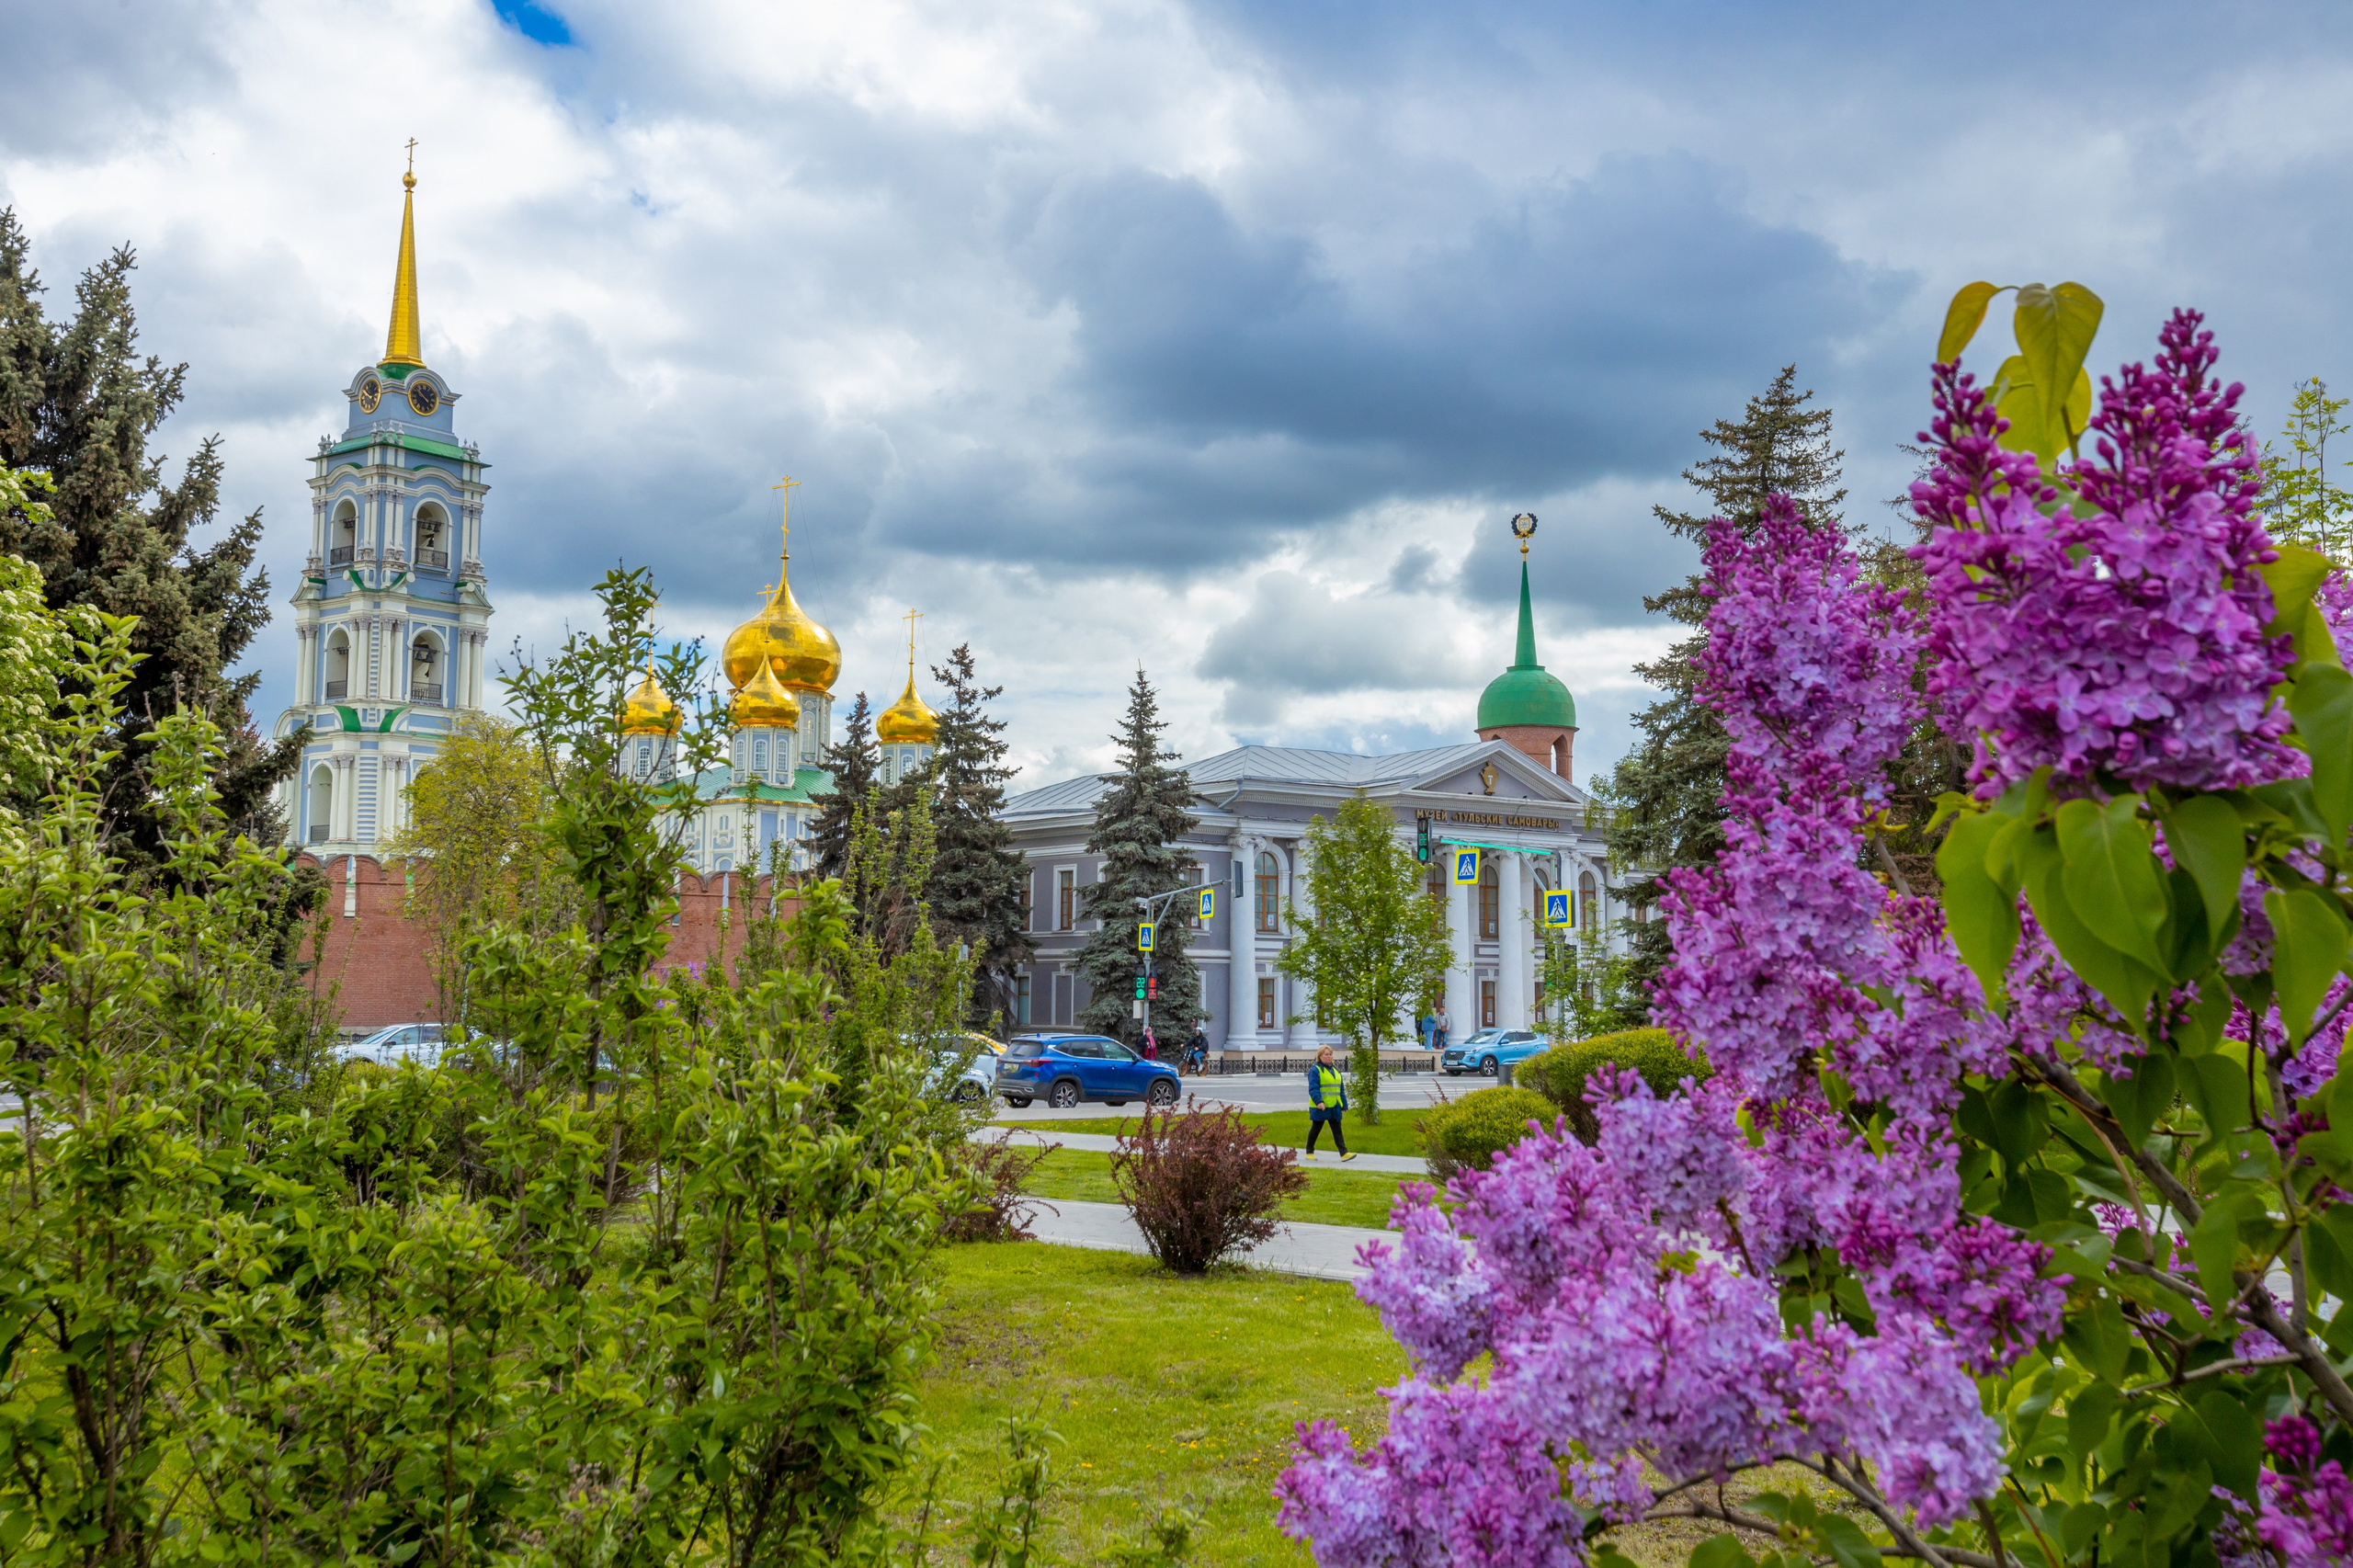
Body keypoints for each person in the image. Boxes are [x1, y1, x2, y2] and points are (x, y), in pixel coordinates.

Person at [1304, 1043, 1355, 1161]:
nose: (1329, 1056)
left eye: (1331, 1054)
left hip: (1334, 1106)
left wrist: (1344, 1104)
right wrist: (1319, 1102)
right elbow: (1313, 1088)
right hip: (1321, 1106)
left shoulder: (1335, 1070)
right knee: (1316, 1129)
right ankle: (1309, 1152)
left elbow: (1340, 1089)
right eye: (1326, 1054)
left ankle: (1344, 1153)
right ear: (1320, 1056)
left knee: (1337, 1131)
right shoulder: (1315, 1070)